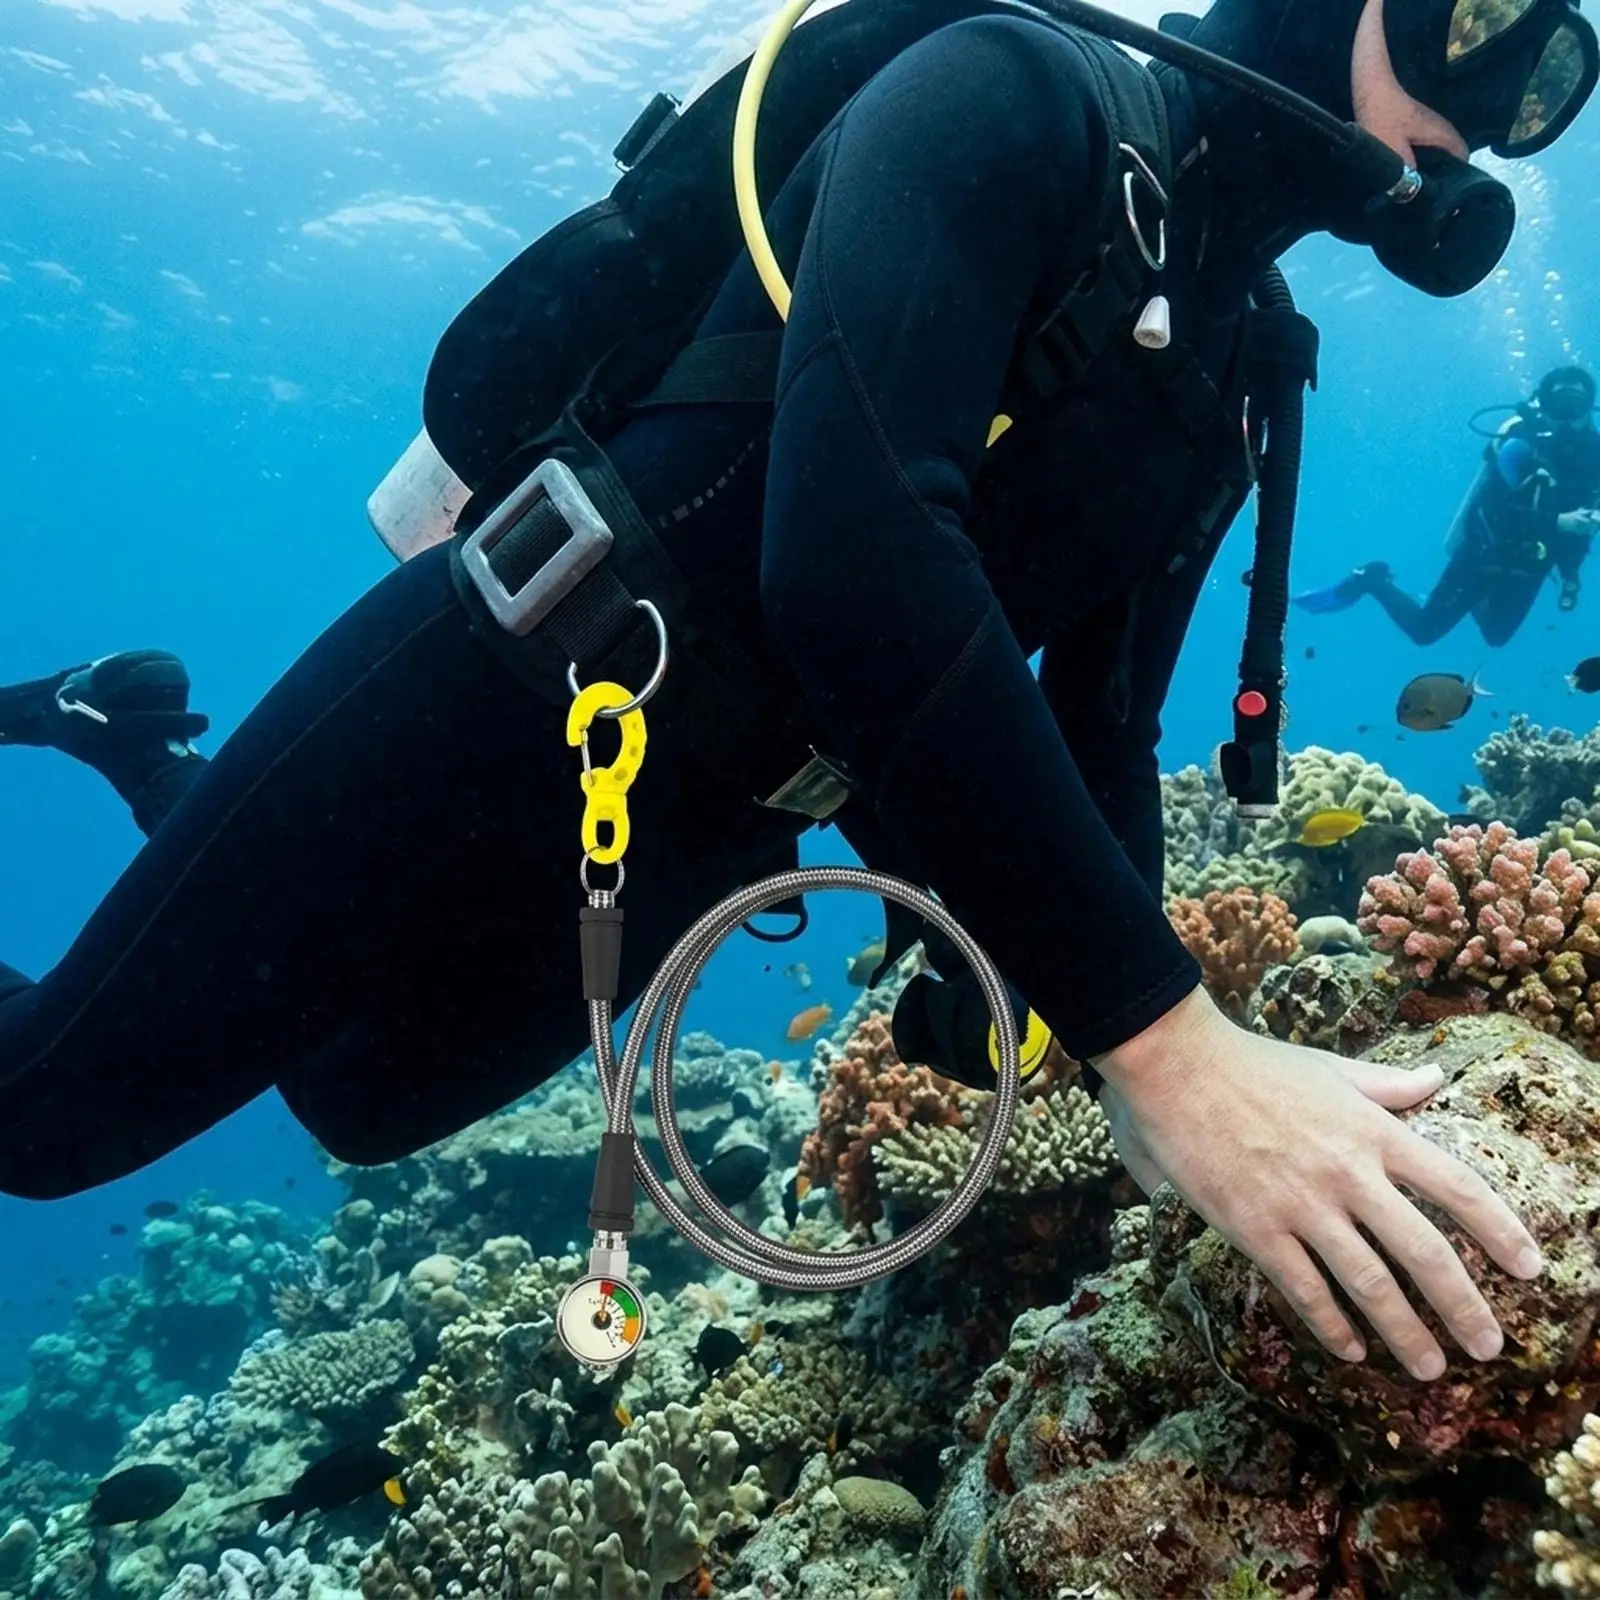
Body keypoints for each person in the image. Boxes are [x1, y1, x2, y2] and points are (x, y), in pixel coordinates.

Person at [2, 0, 1592, 1390]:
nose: (1495, 106)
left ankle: (129, 747)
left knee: (356, 1095)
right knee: (43, 1124)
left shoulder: (1239, 369)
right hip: (514, 682)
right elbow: (850, 560)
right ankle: (100, 737)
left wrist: (1111, 1051)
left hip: (702, 832)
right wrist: (1174, 1050)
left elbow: (1104, 725)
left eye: (1548, 88)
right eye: (1477, 18)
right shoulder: (1017, 89)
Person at [1297, 364, 1600, 643]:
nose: (1568, 417)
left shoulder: (1595, 457)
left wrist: (1570, 573)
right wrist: (1557, 522)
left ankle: (1468, 598)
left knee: (1496, 637)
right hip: (1483, 557)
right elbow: (1494, 513)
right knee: (1424, 632)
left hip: (1532, 565)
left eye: (1577, 406)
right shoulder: (1520, 446)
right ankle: (1373, 579)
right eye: (1560, 406)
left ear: (1589, 410)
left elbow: (1583, 529)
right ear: (1544, 407)